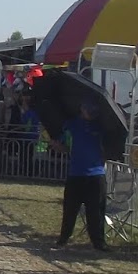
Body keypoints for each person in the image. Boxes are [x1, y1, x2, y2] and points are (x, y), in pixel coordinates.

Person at [51, 102, 109, 252]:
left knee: (96, 211)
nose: (91, 110)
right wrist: (58, 146)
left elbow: (108, 148)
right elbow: (65, 146)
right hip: (76, 173)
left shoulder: (102, 126)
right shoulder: (71, 124)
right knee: (70, 209)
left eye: (93, 108)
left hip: (96, 174)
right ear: (82, 109)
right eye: (88, 107)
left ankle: (98, 242)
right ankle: (63, 239)